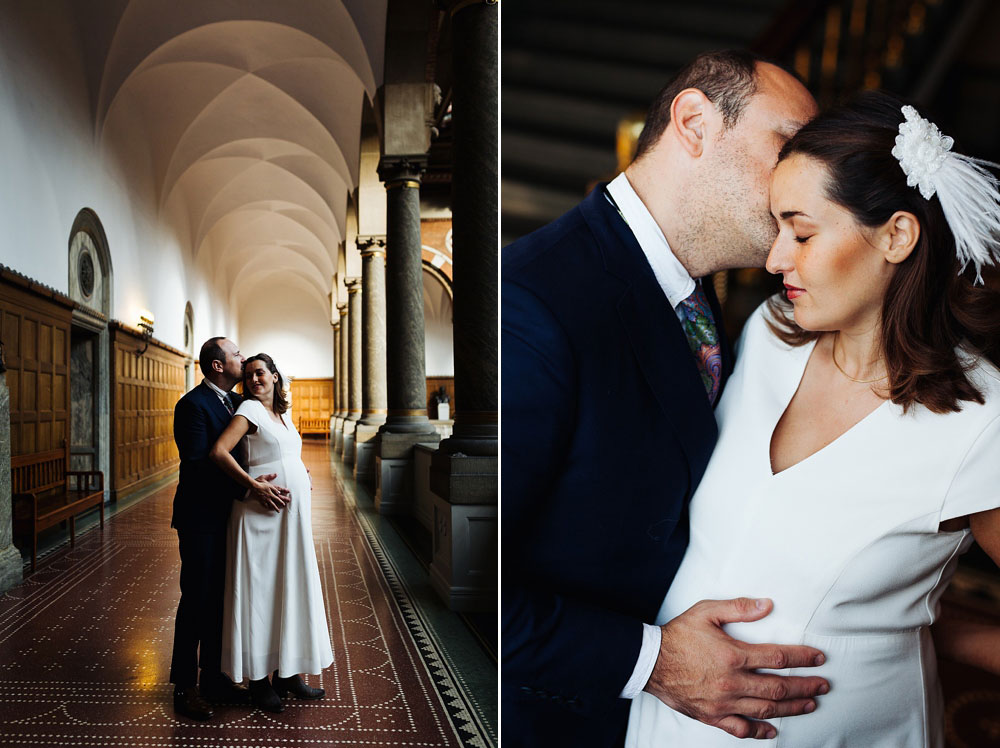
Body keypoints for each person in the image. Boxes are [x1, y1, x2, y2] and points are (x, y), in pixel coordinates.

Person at [627, 92, 1000, 746]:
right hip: (670, 720)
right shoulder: (772, 334)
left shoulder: (979, 419)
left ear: (896, 235)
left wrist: (902, 629)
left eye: (801, 232)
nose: (775, 259)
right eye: (776, 229)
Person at [502, 51, 828, 746]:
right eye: (791, 148)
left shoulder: (699, 287)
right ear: (693, 123)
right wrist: (652, 662)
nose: (811, 183)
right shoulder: (530, 305)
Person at [169, 337, 288, 720]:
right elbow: (199, 463)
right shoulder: (192, 406)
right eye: (237, 354)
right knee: (197, 600)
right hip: (202, 518)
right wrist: (249, 485)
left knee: (225, 598)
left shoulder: (240, 404)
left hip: (236, 518)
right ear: (219, 366)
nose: (243, 357)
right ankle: (185, 687)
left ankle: (216, 679)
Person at [209, 353, 334, 713]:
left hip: (290, 521)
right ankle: (260, 680)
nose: (254, 380)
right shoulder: (248, 410)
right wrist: (253, 485)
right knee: (261, 593)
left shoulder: (283, 413)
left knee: (289, 588)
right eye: (248, 375)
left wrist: (300, 470)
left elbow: (285, 453)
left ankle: (288, 673)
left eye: (260, 373)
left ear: (276, 377)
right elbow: (219, 452)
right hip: (260, 518)